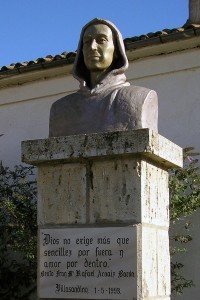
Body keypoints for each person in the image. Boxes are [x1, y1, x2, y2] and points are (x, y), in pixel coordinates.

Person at [49, 18, 158, 137]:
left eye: (101, 40)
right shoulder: (61, 108)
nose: (92, 47)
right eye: (87, 42)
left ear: (116, 50)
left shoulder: (139, 98)